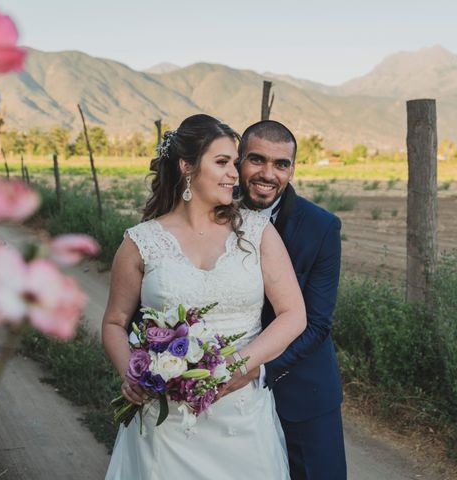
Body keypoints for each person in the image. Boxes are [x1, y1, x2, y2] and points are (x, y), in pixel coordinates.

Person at [101, 114, 306, 480]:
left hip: (239, 414)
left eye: (234, 162)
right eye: (222, 162)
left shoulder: (257, 232)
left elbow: (293, 314)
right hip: (165, 419)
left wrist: (235, 367)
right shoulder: (141, 242)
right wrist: (131, 372)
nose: (234, 174)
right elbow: (115, 322)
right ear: (187, 167)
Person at [224, 120, 347, 480]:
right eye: (256, 160)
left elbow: (318, 322)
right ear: (238, 161)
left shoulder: (322, 227)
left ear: (293, 169)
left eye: (281, 164)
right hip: (224, 395)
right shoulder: (209, 215)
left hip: (302, 390)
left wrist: (259, 370)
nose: (268, 173)